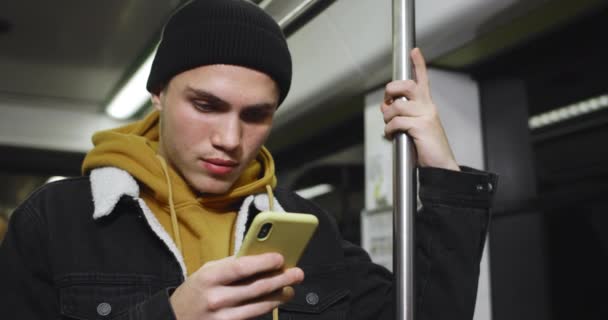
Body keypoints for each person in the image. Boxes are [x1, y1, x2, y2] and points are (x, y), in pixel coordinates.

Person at [0, 0, 497, 319]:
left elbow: (425, 314)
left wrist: (442, 169)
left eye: (256, 115)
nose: (230, 139)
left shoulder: (304, 227)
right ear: (157, 95)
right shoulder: (56, 219)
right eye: (206, 105)